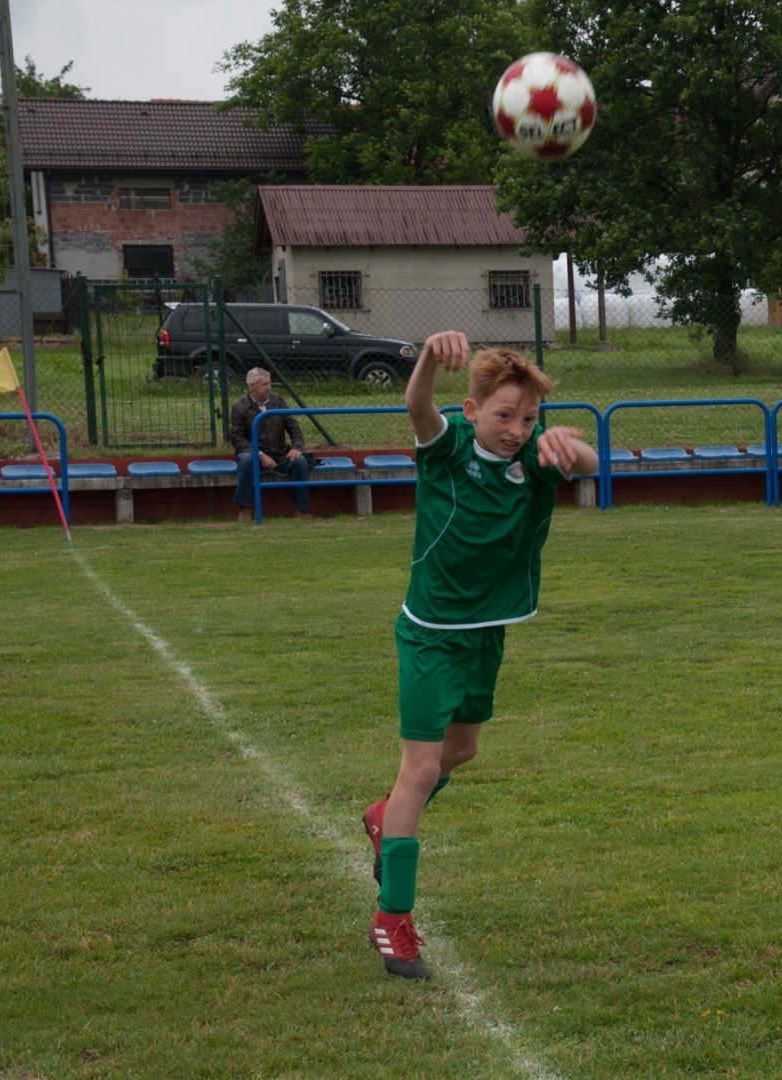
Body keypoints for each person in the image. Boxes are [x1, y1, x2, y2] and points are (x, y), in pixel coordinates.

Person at [361, 331, 598, 980]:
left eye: (527, 419)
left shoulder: (536, 461)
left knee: (462, 752)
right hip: (431, 632)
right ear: (471, 411)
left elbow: (591, 464)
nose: (516, 430)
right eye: (503, 415)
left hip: (487, 631)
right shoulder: (447, 451)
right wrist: (427, 364)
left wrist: (569, 444)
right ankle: (393, 918)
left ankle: (385, 819)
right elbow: (416, 409)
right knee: (420, 767)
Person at [229, 367, 311, 521]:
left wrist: (297, 448)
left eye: (269, 383)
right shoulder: (239, 406)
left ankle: (300, 510)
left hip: (280, 453)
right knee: (245, 460)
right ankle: (244, 509)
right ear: (251, 386)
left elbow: (294, 427)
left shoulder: (278, 401)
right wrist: (259, 455)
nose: (268, 387)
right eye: (264, 384)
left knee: (300, 461)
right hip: (254, 455)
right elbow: (237, 438)